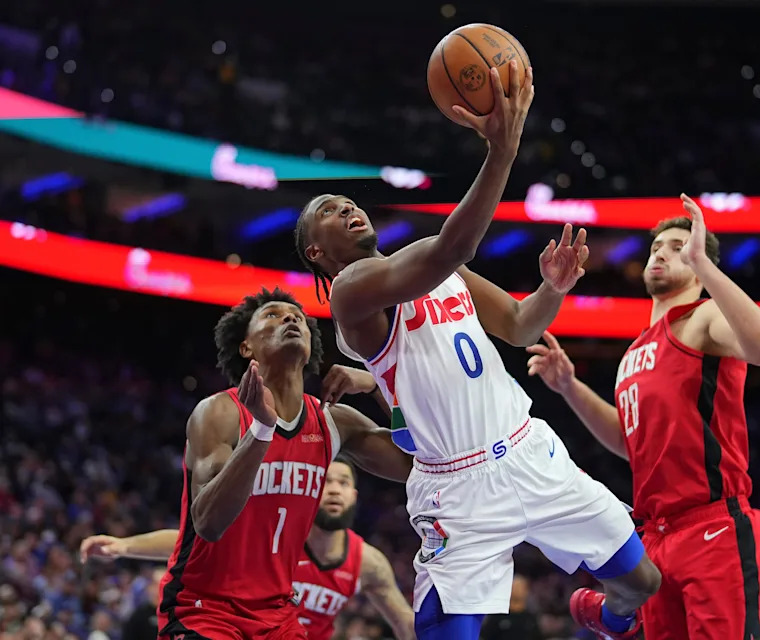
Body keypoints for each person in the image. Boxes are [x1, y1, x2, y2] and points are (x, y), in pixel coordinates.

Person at [293, 59, 660, 640]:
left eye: (347, 201)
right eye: (329, 212)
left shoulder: (430, 263)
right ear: (317, 251)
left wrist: (552, 288)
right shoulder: (350, 293)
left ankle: (604, 618)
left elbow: (518, 325)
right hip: (456, 489)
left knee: (643, 584)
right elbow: (450, 246)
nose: (346, 207)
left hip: (528, 450)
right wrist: (502, 151)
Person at [527, 194, 760, 639]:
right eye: (657, 246)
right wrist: (569, 386)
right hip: (658, 540)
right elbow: (632, 444)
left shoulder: (703, 318)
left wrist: (704, 263)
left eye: (678, 246)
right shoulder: (633, 354)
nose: (663, 251)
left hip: (714, 527)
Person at [150, 287, 412, 640]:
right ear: (246, 347)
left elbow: (418, 463)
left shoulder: (333, 422)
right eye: (272, 315)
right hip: (204, 608)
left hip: (278, 615)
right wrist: (261, 431)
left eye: (298, 318)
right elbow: (209, 523)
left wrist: (379, 383)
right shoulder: (219, 413)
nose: (290, 318)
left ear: (309, 351)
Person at [80, 459, 415, 640]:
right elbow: (195, 540)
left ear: (355, 496)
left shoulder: (368, 562)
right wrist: (124, 546)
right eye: (326, 481)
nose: (335, 490)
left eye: (344, 483)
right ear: (310, 487)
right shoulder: (274, 532)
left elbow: (404, 623)